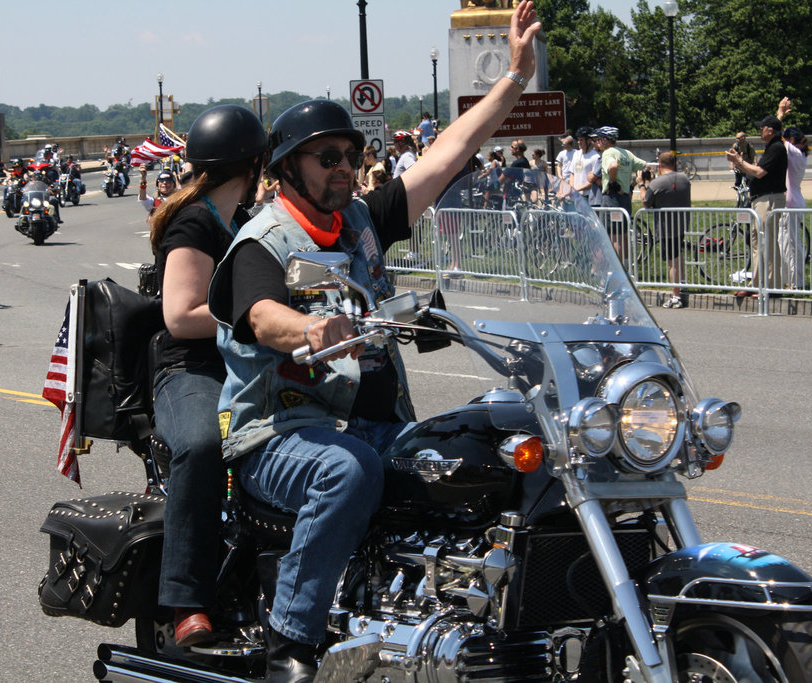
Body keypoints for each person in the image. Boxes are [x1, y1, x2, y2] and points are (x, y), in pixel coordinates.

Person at [207, 4, 541, 681]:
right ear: (287, 168)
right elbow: (262, 315)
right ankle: (290, 641)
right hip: (278, 434)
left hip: (374, 425)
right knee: (346, 470)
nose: (345, 167)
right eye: (328, 157)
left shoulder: (360, 220)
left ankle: (499, 618)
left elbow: (448, 156)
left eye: (351, 155)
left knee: (495, 435)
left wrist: (511, 79)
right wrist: (308, 328)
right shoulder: (263, 241)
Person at [149, 104, 266, 649]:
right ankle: (185, 601)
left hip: (239, 361)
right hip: (189, 367)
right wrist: (265, 314)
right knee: (199, 444)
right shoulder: (195, 221)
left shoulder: (241, 222)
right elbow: (180, 315)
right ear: (252, 166)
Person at [726, 113, 787, 296]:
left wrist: (739, 161)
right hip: (761, 200)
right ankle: (759, 284)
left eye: (762, 127)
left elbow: (759, 172)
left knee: (766, 242)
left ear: (770, 131)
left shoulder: (776, 148)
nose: (759, 130)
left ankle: (769, 286)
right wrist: (740, 163)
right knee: (758, 242)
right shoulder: (772, 147)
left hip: (768, 200)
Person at [642, 152, 691, 308]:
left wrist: (642, 185)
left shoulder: (657, 183)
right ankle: (682, 284)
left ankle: (676, 296)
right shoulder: (685, 179)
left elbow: (646, 202)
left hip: (665, 227)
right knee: (678, 255)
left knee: (673, 261)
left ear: (660, 164)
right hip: (682, 223)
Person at [593, 125, 646, 259]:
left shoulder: (608, 153)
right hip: (625, 199)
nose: (597, 143)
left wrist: (612, 182)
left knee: (614, 237)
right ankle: (627, 269)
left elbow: (613, 166)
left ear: (604, 140)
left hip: (612, 199)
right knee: (623, 235)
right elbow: (646, 167)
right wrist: (633, 185)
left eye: (598, 139)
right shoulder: (626, 153)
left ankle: (617, 272)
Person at [775, 98, 807, 290]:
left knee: (790, 245)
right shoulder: (798, 152)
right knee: (786, 242)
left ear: (792, 140)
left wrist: (779, 114)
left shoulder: (793, 151)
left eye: (787, 139)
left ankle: (797, 283)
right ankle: (791, 281)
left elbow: (776, 136)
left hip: (791, 204)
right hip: (794, 202)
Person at [568, 126, 602, 208]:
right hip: (576, 196)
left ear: (589, 140)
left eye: (581, 140)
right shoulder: (576, 154)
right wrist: (572, 188)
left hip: (588, 197)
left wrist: (577, 189)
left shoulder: (595, 157)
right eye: (578, 140)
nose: (579, 142)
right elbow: (572, 173)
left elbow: (593, 180)